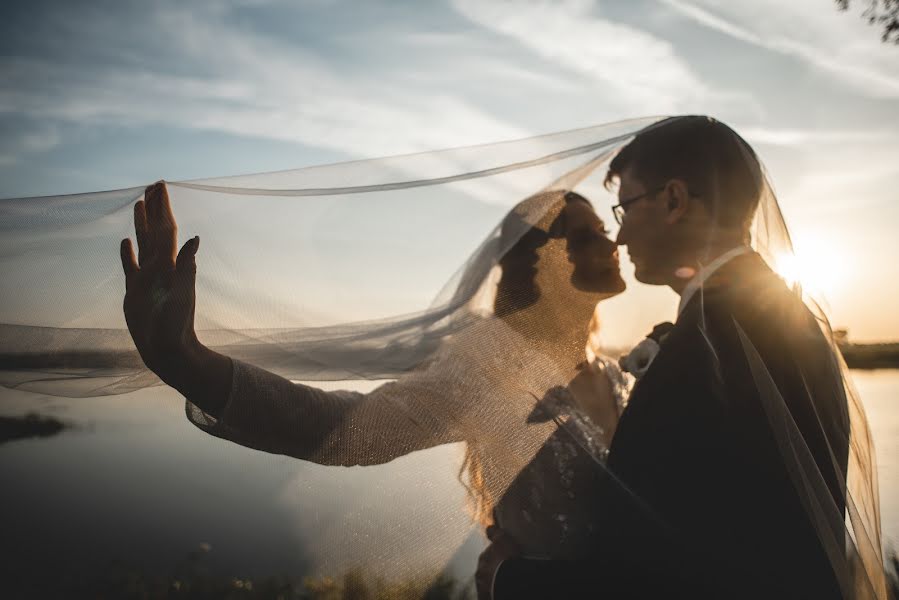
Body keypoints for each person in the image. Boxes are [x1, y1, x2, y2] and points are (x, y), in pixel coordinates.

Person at [119, 184, 630, 579]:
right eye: (584, 237)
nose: (612, 243)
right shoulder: (493, 365)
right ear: (538, 261)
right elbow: (350, 428)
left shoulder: (613, 370)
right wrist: (184, 360)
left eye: (602, 229)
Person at [485, 117, 856, 599]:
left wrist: (506, 577)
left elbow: (654, 579)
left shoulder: (702, 353)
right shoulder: (790, 323)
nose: (619, 239)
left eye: (625, 209)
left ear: (673, 200)